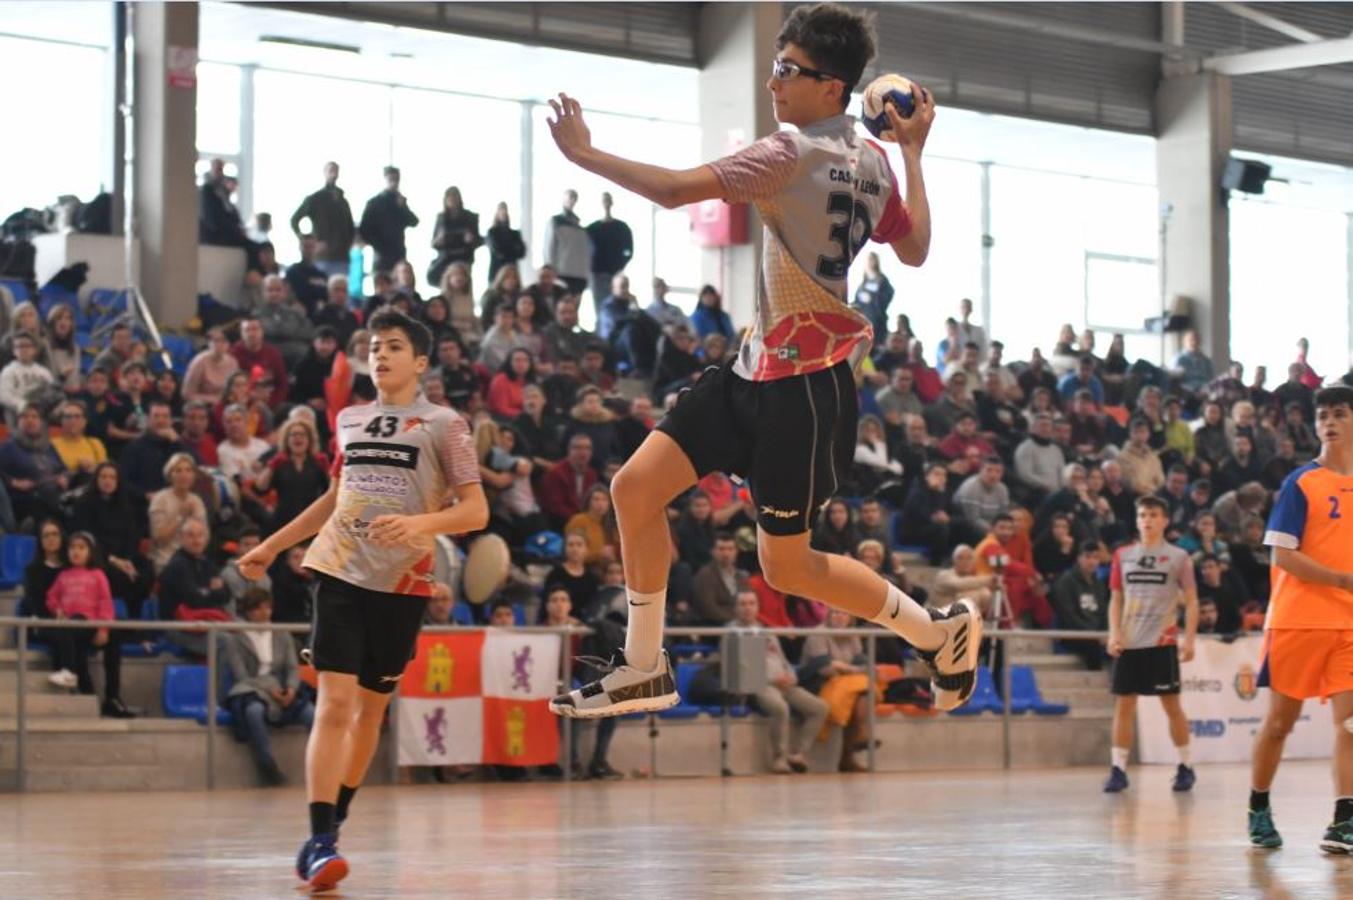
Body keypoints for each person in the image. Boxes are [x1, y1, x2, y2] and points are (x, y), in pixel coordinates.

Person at [544, 6, 979, 720]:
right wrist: (913, 154)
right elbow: (916, 247)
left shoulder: (788, 154)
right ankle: (644, 665)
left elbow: (678, 190)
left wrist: (585, 156)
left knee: (789, 566)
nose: (772, 81)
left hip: (804, 392)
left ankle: (937, 633)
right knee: (633, 489)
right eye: (774, 64)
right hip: (753, 370)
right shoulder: (870, 162)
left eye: (788, 70)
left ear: (832, 86)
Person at [234, 309, 487, 891]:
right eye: (374, 346)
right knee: (336, 704)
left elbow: (476, 511)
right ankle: (321, 842)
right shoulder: (348, 419)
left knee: (371, 711)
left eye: (394, 346)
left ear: (420, 362)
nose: (380, 354)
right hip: (338, 570)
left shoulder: (446, 425)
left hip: (402, 584)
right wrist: (272, 547)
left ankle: (333, 824)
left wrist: (421, 524)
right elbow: (333, 497)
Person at [1246, 385, 1353, 852]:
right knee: (1278, 725)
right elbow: (1282, 556)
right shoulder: (1300, 482)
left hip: (1349, 626)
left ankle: (1343, 821)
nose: (1329, 421)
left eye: (1339, 414)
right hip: (1297, 620)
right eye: (1323, 415)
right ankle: (1258, 806)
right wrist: (1343, 581)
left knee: (1350, 725)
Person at [1103, 495, 1199, 795]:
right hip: (1130, 642)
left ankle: (1185, 766)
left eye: (1153, 514)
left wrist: (1190, 639)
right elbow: (1116, 597)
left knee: (1172, 706)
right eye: (1142, 514)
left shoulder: (1179, 557)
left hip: (1162, 641)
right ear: (1136, 520)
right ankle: (1118, 769)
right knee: (1124, 706)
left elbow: (1193, 601)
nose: (1147, 519)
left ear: (1164, 520)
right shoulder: (1122, 555)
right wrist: (1113, 633)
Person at [728, 589, 828, 773]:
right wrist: (775, 679)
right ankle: (778, 758)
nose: (747, 608)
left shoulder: (764, 630)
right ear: (735, 608)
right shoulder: (732, 633)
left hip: (785, 683)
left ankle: (798, 754)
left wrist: (792, 676)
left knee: (819, 708)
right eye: (742, 604)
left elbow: (781, 659)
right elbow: (744, 669)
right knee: (780, 708)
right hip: (759, 684)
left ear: (758, 607)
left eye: (751, 604)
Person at [223, 588, 314, 787]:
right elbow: (242, 676)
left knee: (310, 712)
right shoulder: (235, 638)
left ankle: (321, 765)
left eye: (268, 608)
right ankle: (267, 766)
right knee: (253, 711)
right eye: (259, 609)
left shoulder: (281, 634)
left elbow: (292, 667)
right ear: (248, 611)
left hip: (280, 688)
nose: (265, 613)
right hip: (250, 688)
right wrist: (269, 689)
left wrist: (290, 688)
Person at [45, 531, 135, 718]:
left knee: (110, 638)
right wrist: (57, 610)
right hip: (73, 626)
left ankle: (111, 696)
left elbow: (105, 603)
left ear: (90, 552)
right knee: (66, 629)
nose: (76, 552)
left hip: (91, 623)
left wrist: (103, 628)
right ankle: (84, 688)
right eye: (72, 548)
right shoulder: (63, 576)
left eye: (81, 547)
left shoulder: (97, 575)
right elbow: (51, 597)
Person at [1048, 541, 1109, 669]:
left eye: (1096, 557)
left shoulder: (1098, 583)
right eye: (1088, 557)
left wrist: (1105, 632)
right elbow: (1068, 616)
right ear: (1079, 558)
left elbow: (1104, 612)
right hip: (1072, 634)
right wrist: (1093, 635)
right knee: (1093, 647)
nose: (1092, 562)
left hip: (1095, 635)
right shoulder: (1065, 582)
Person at [290, 161, 354, 278]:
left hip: (342, 257)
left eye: (335, 171)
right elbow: (294, 220)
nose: (333, 174)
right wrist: (307, 241)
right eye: (330, 171)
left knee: (340, 290)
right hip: (323, 257)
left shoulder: (343, 202)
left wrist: (348, 245)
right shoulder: (315, 199)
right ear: (324, 173)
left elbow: (350, 227)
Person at [358, 166, 418, 274]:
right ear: (385, 179)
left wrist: (402, 207)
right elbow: (364, 229)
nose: (394, 183)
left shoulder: (400, 201)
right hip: (381, 255)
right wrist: (378, 245)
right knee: (382, 285)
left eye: (396, 179)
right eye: (391, 179)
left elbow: (414, 222)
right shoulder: (374, 203)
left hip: (399, 252)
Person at [428, 187, 482, 288]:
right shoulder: (441, 218)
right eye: (449, 198)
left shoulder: (470, 217)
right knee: (446, 288)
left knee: (463, 289)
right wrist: (439, 240)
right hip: (446, 259)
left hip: (464, 258)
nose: (452, 201)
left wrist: (471, 239)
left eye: (454, 197)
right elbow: (433, 243)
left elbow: (480, 241)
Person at [586, 192, 633, 307]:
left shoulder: (622, 227)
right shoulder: (592, 228)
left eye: (608, 200)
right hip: (597, 274)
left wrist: (621, 265)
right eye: (604, 200)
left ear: (612, 202)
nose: (606, 203)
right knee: (600, 306)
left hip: (615, 273)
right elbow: (584, 251)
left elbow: (629, 250)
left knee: (618, 304)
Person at [232, 317, 289, 408]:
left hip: (271, 401)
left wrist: (271, 403)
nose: (251, 334)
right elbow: (232, 386)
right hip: (243, 403)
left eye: (255, 329)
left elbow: (282, 384)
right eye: (247, 330)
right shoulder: (233, 354)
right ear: (241, 334)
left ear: (262, 331)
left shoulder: (273, 353)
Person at [544, 189, 591, 299]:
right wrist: (550, 271)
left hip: (579, 274)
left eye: (574, 198)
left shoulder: (580, 227)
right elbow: (549, 248)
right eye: (570, 197)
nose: (572, 200)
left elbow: (585, 253)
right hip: (561, 273)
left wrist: (587, 275)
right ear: (564, 198)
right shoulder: (555, 221)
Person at [0, 330, 54, 425]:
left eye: (27, 346)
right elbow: (4, 396)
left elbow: (54, 391)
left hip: (41, 409)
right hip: (19, 411)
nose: (24, 349)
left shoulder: (44, 372)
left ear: (34, 349)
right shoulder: (8, 371)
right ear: (14, 351)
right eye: (19, 346)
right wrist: (23, 404)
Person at [485, 202, 526, 282]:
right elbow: (498, 251)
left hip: (512, 269)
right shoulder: (492, 232)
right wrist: (513, 248)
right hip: (497, 269)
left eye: (505, 210)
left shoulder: (515, 233)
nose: (504, 212)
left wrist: (507, 248)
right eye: (501, 210)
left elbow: (522, 253)